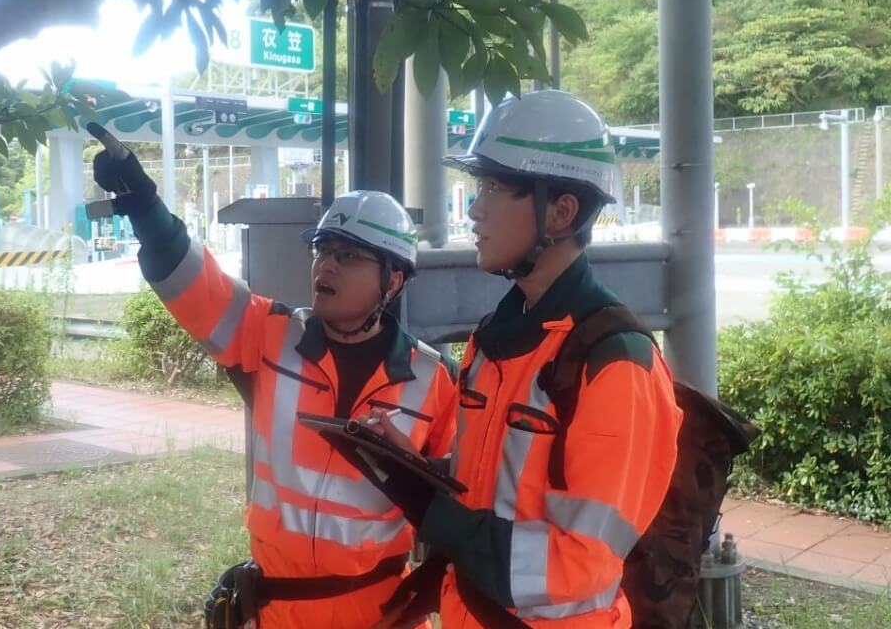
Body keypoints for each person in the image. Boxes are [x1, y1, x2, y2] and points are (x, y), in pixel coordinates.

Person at [89, 124, 457, 629]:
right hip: (276, 611)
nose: (326, 265)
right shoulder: (270, 335)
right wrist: (145, 208)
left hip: (380, 615)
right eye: (322, 250)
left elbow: (463, 504)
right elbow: (198, 286)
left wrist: (433, 580)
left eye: (348, 255)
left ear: (392, 280)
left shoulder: (434, 382)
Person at [369, 91, 683, 628]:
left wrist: (436, 516)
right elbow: (496, 488)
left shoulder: (613, 363)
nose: (474, 208)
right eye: (478, 186)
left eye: (493, 187)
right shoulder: (498, 337)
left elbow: (579, 562)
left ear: (560, 212)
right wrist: (417, 470)